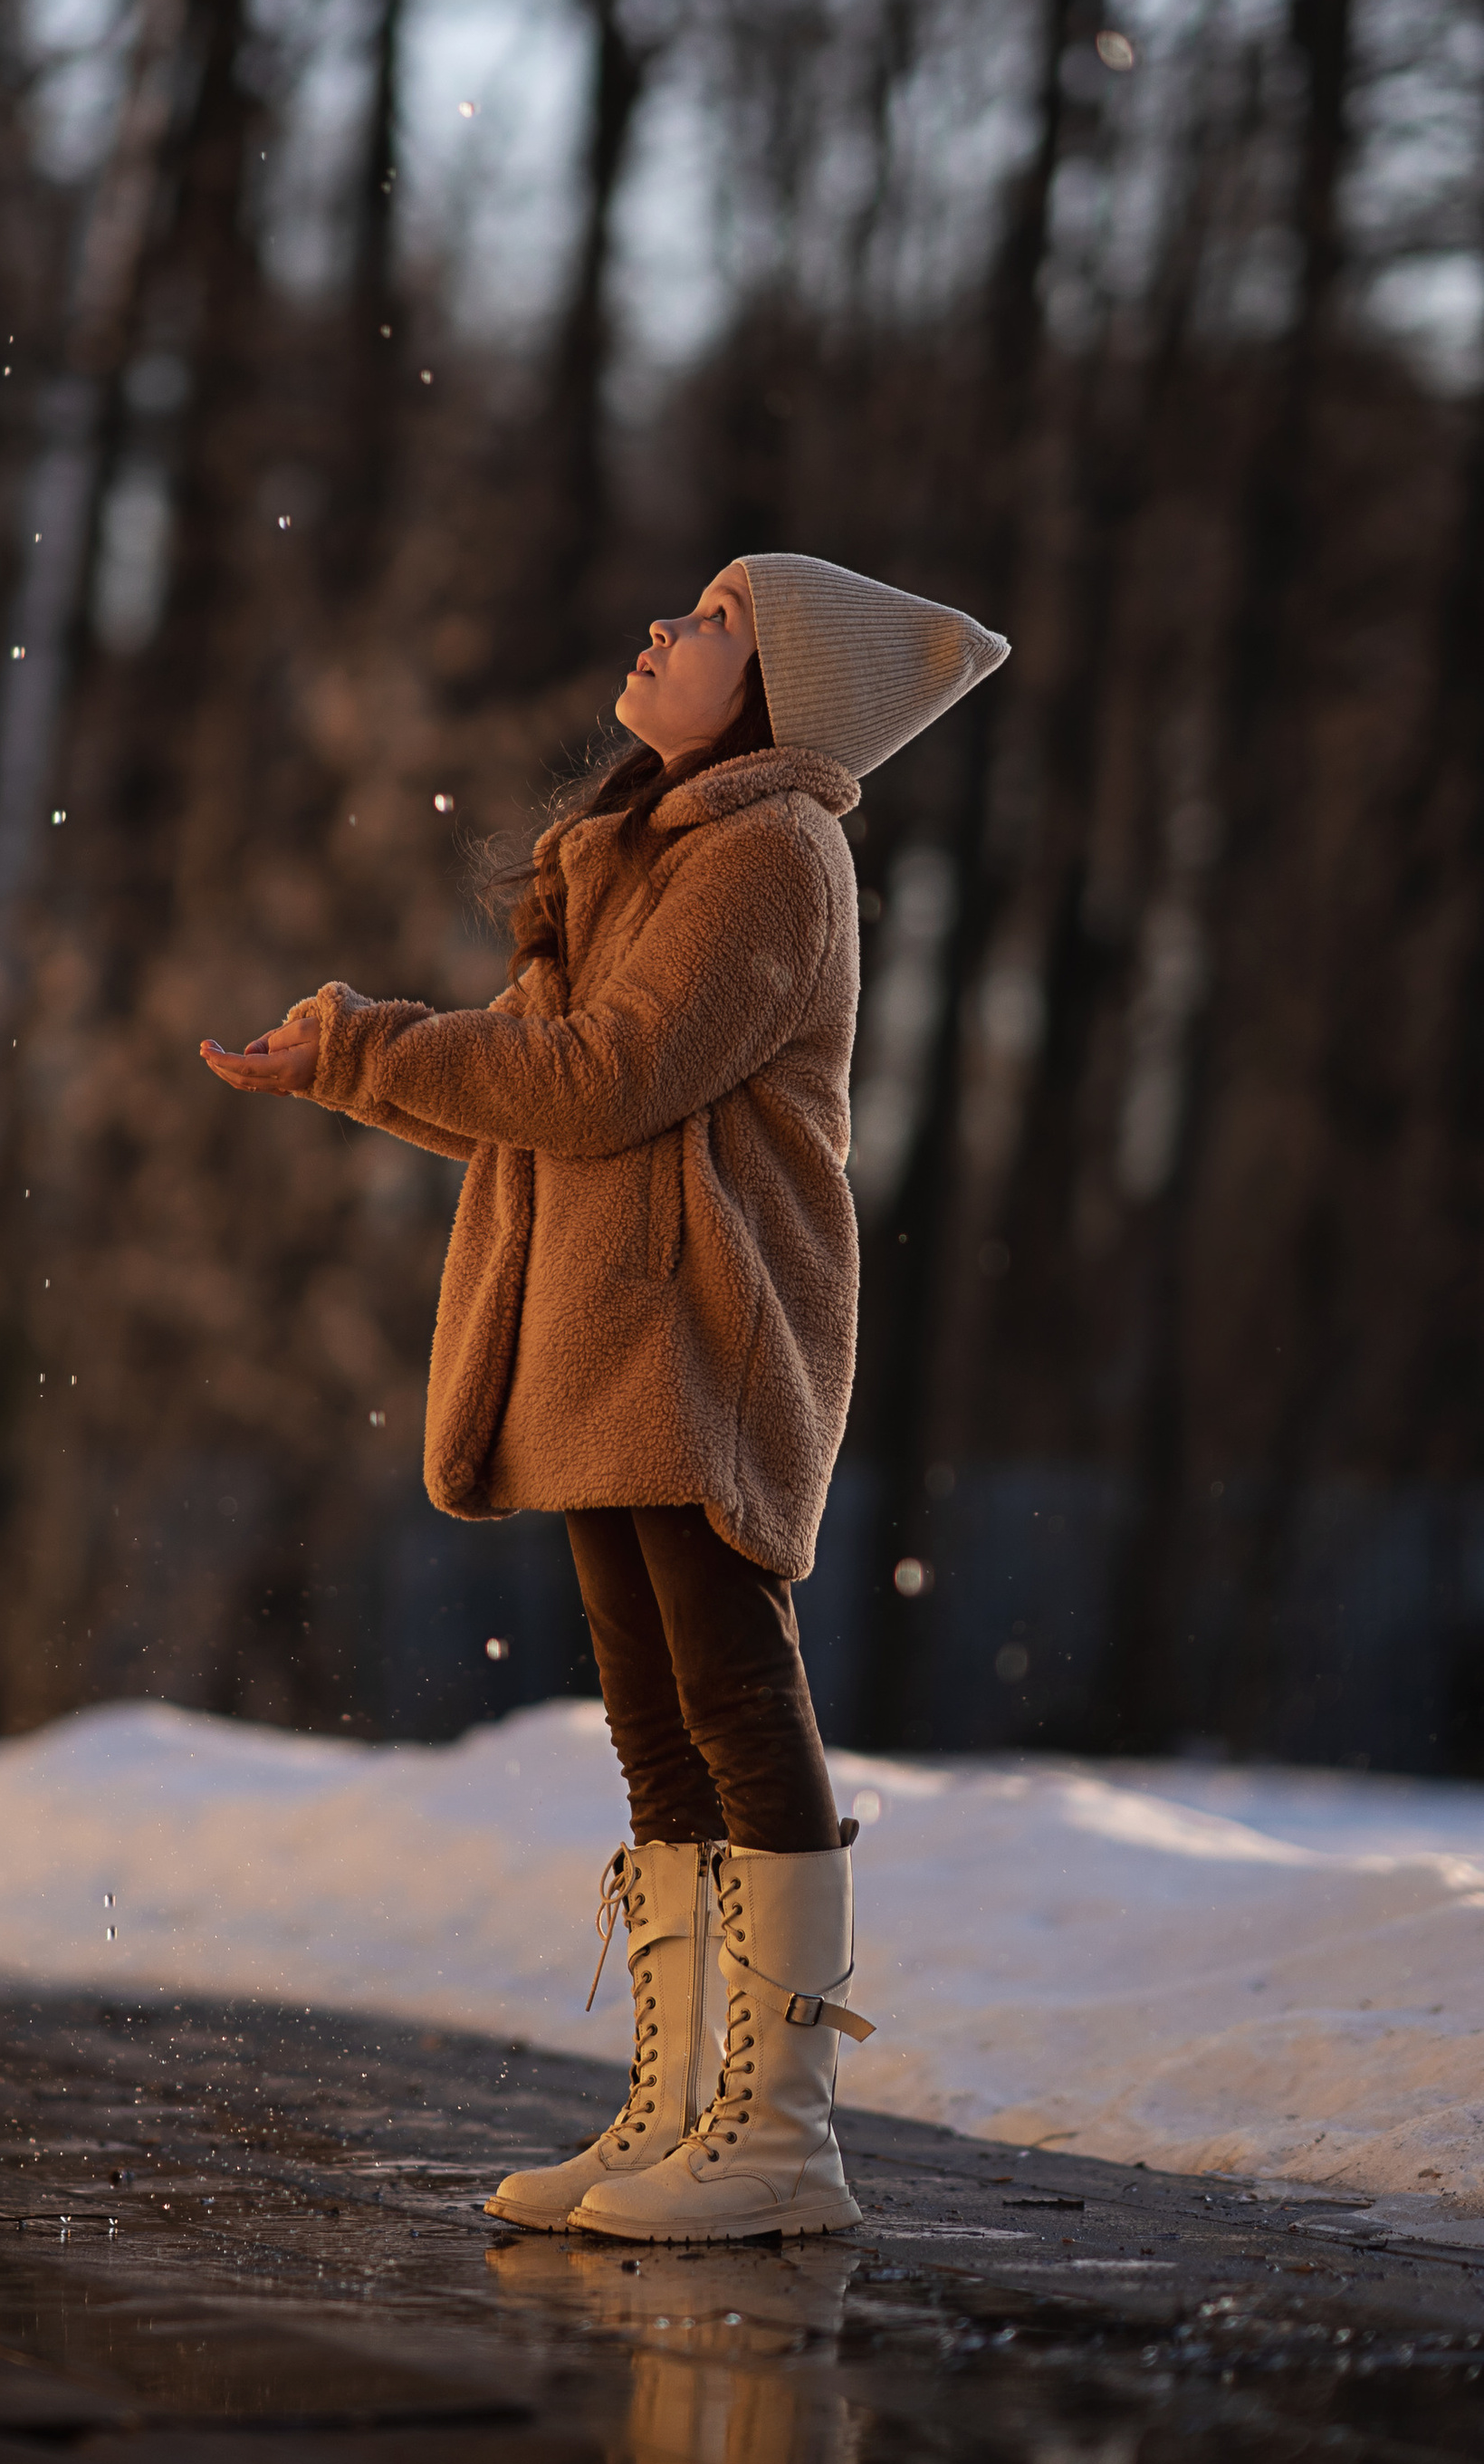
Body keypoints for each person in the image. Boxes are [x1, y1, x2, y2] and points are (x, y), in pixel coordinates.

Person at [199, 554, 1006, 2244]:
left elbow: (606, 1078)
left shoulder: (774, 855)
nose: (664, 625)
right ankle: (681, 2116)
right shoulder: (641, 858)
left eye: (716, 620)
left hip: (702, 1339)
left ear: (781, 688)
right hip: (605, 1338)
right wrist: (340, 1064)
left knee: (731, 1693)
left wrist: (369, 1041)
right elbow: (529, 1102)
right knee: (655, 1727)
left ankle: (780, 2136)